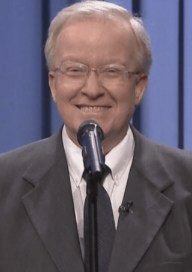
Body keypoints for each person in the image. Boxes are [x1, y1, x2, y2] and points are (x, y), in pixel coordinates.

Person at [0, 1, 192, 271]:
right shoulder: (3, 183)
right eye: (75, 70)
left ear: (139, 86)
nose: (91, 89)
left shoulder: (187, 181)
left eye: (111, 71)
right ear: (53, 84)